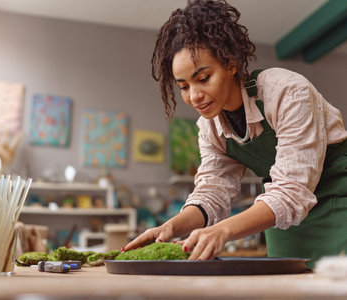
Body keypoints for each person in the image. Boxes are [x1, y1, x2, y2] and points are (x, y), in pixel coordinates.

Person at [123, 0, 347, 269]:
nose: (194, 96)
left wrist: (224, 231)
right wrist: (170, 227)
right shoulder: (210, 128)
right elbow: (212, 192)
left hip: (338, 206)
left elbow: (292, 190)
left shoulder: (286, 92)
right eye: (183, 86)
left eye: (203, 78)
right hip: (283, 220)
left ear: (230, 63)